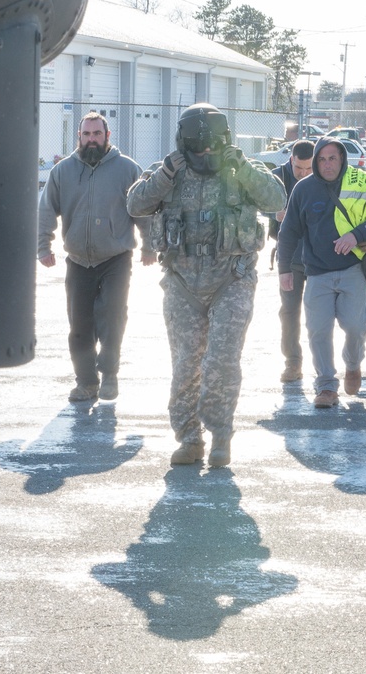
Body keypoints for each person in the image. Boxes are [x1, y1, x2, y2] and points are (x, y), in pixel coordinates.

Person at [127, 103, 284, 467]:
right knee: (186, 365)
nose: (207, 151)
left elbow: (276, 199)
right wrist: (165, 174)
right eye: (199, 145)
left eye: (213, 143)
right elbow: (135, 203)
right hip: (182, 284)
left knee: (222, 361)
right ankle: (189, 438)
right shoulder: (168, 171)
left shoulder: (242, 168)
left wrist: (243, 167)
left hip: (232, 279)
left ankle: (220, 436)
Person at [38, 112, 154, 403]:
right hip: (78, 259)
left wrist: (149, 245)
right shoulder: (63, 171)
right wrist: (43, 246)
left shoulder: (127, 168)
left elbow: (143, 209)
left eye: (97, 134)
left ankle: (110, 374)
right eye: (87, 134)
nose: (92, 139)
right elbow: (46, 208)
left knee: (112, 316)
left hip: (116, 258)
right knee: (79, 326)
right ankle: (86, 383)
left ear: (107, 136)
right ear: (79, 136)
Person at [276, 137, 366, 408]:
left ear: (342, 159)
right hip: (317, 273)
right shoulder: (303, 189)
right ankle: (326, 387)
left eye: (332, 158)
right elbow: (288, 232)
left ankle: (353, 364)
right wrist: (284, 269)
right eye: (322, 159)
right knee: (318, 331)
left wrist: (356, 235)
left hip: (352, 269)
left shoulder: (360, 182)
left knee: (355, 326)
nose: (327, 164)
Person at [270, 140, 315, 383]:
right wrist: (274, 213)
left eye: (309, 168)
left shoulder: (324, 176)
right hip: (290, 257)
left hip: (319, 257)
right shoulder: (277, 177)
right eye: (299, 168)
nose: (304, 173)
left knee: (320, 312)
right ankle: (293, 361)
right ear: (291, 161)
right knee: (289, 311)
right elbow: (259, 201)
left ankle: (323, 363)